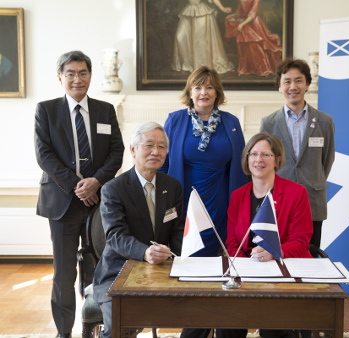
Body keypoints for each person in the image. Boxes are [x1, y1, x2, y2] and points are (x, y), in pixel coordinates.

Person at [34, 50, 124, 338]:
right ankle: (64, 333)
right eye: (70, 73)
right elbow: (44, 156)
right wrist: (77, 184)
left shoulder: (105, 110)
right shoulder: (46, 110)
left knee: (98, 267)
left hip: (99, 202)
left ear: (90, 76)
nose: (77, 79)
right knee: (64, 273)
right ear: (60, 77)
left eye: (82, 73)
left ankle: (95, 326)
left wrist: (95, 182)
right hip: (62, 201)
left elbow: (116, 151)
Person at [160, 65, 247, 338]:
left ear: (217, 92)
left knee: (223, 270)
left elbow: (242, 168)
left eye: (209, 87)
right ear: (190, 91)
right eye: (198, 87)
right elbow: (162, 167)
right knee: (194, 272)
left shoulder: (231, 122)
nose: (203, 92)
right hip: (185, 206)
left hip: (221, 207)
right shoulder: (174, 120)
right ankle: (195, 329)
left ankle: (225, 328)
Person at [216, 132, 313, 338]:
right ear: (247, 158)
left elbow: (301, 241)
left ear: (278, 159)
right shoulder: (237, 196)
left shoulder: (297, 193)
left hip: (285, 272)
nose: (258, 160)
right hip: (246, 272)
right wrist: (246, 271)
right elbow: (233, 243)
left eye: (266, 155)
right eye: (253, 154)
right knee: (226, 323)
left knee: (272, 325)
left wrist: (274, 252)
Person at [93, 122, 184, 338]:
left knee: (203, 310)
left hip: (162, 271)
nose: (156, 151)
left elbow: (177, 231)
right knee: (119, 323)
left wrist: (185, 262)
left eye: (162, 147)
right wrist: (145, 253)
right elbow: (116, 236)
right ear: (133, 150)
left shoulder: (172, 186)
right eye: (149, 145)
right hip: (118, 272)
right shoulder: (113, 189)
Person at [260, 58, 335, 256]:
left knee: (309, 257)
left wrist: (312, 179)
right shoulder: (268, 123)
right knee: (277, 256)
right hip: (279, 202)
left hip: (312, 201)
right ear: (279, 86)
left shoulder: (325, 122)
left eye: (299, 80)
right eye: (287, 81)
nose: (293, 86)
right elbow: (264, 164)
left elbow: (326, 161)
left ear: (308, 84)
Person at [171, 0, 234, 74]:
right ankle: (187, 64)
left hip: (201, 12)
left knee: (200, 40)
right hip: (188, 11)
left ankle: (200, 66)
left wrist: (222, 8)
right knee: (180, 37)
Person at [225, 0, 282, 76]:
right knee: (244, 47)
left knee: (255, 46)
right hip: (244, 21)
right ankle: (245, 68)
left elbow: (253, 14)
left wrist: (242, 24)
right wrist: (234, 16)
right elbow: (240, 11)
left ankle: (263, 69)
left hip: (254, 24)